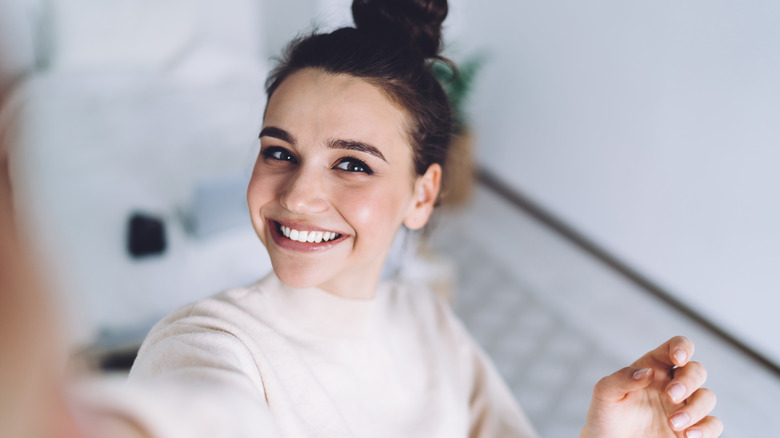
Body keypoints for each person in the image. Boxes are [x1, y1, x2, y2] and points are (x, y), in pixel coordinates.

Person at [123, 0, 723, 437]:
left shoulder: (428, 323)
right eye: (279, 152)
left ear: (422, 194)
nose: (299, 196)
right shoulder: (202, 349)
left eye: (353, 164)